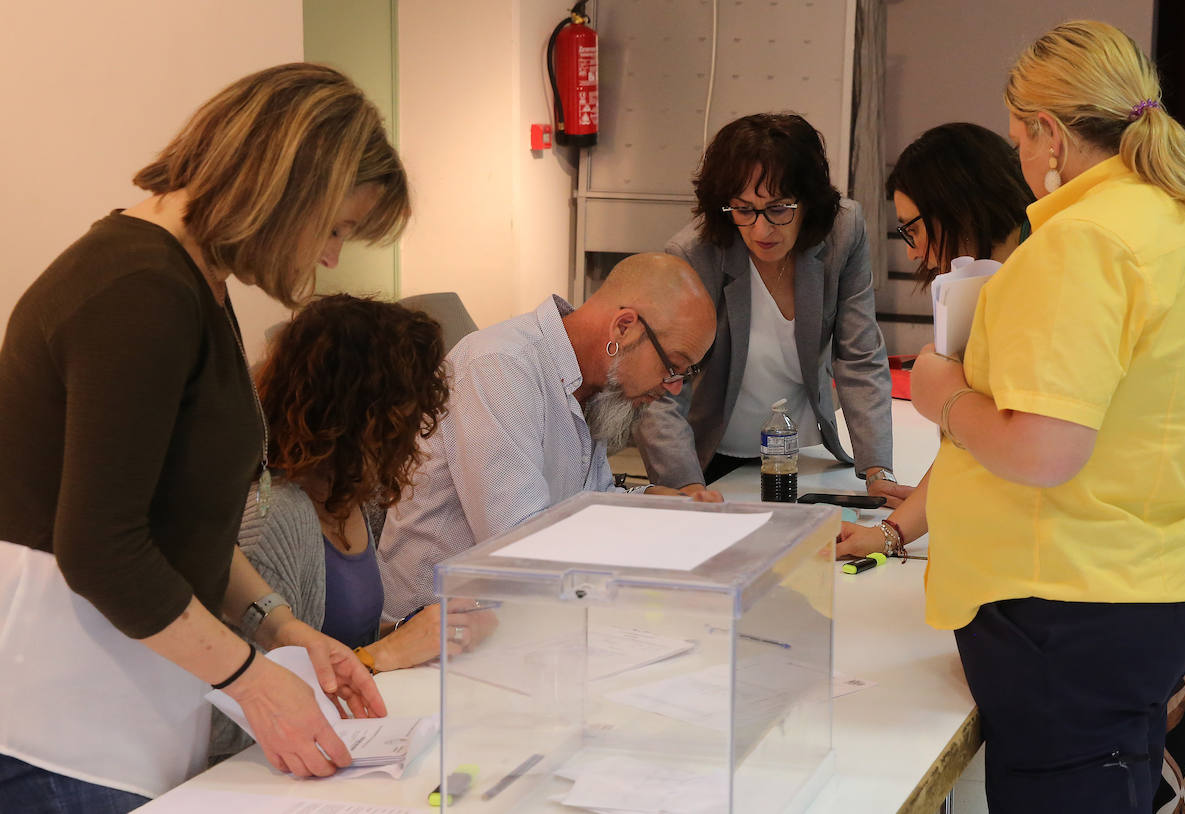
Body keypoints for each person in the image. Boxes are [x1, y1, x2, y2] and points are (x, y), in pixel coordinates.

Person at [843, 121, 1185, 813]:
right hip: (1139, 529)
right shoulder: (1002, 278)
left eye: (913, 227)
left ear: (957, 203)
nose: (912, 248)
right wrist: (896, 530)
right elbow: (984, 439)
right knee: (1134, 751)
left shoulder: (1071, 255)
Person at [0, 63, 404, 811]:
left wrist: (280, 625)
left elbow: (180, 518)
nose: (328, 257)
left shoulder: (191, 281)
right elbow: (102, 547)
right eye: (336, 228)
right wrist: (254, 679)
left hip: (128, 699)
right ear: (291, 187)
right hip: (59, 719)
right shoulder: (138, 290)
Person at [905, 22, 1185, 813]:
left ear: (1050, 134)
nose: (1022, 163)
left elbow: (1045, 450)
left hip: (1066, 609)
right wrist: (1173, 450)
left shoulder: (1080, 242)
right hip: (1151, 586)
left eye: (1017, 140)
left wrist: (944, 396)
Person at [210, 294, 496, 760]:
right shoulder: (276, 516)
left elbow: (345, 633)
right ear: (361, 416)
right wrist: (381, 657)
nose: (417, 433)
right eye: (404, 415)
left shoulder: (352, 497)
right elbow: (236, 720)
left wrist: (417, 633)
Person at [378, 252, 721, 617]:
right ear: (623, 327)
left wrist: (654, 502)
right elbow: (521, 548)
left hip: (516, 615)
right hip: (431, 631)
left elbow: (587, 500)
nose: (673, 388)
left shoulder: (593, 383)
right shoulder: (499, 367)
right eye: (673, 366)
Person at [633, 113, 910, 504]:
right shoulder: (695, 254)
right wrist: (688, 488)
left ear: (810, 201)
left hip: (805, 453)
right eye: (744, 210)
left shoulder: (843, 232)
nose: (762, 230)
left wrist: (879, 471)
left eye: (780, 208)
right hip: (713, 457)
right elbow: (661, 388)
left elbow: (860, 358)